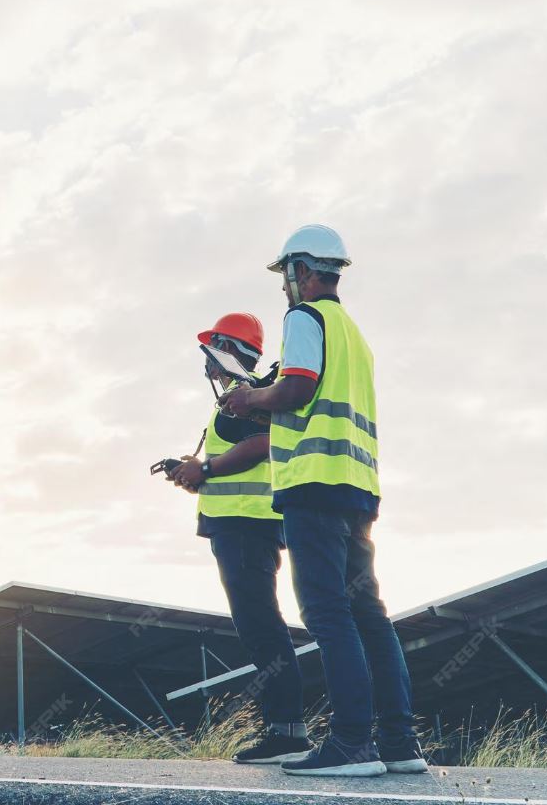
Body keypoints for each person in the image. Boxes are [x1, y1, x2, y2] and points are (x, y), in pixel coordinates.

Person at [220, 224, 426, 778]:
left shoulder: (304, 318)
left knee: (327, 614)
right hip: (358, 489)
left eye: (286, 274)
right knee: (369, 615)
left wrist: (251, 397)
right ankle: (399, 744)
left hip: (313, 485)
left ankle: (352, 744)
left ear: (301, 270)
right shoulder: (354, 335)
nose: (284, 285)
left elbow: (298, 387)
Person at [164, 313, 310, 764]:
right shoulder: (235, 401)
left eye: (212, 351)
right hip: (237, 525)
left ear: (227, 349)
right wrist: (193, 472)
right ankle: (284, 729)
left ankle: (287, 733)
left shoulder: (249, 398)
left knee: (261, 625)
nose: (206, 363)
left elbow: (263, 443)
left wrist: (205, 468)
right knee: (257, 625)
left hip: (247, 524)